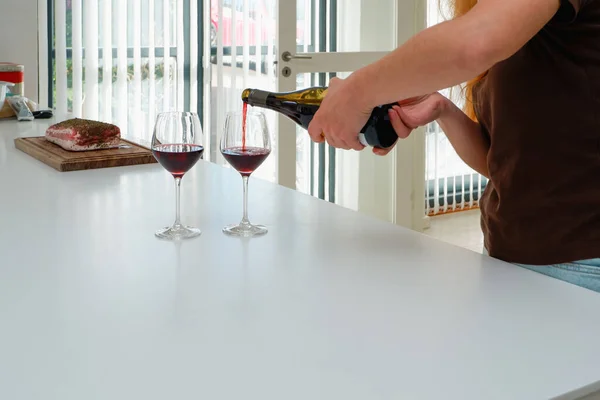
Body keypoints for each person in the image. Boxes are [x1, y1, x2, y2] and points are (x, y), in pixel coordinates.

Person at [307, 0, 600, 293]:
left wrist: (355, 93)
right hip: (514, 255)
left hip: (581, 265)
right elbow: (504, 163)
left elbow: (475, 42)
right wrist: (442, 111)